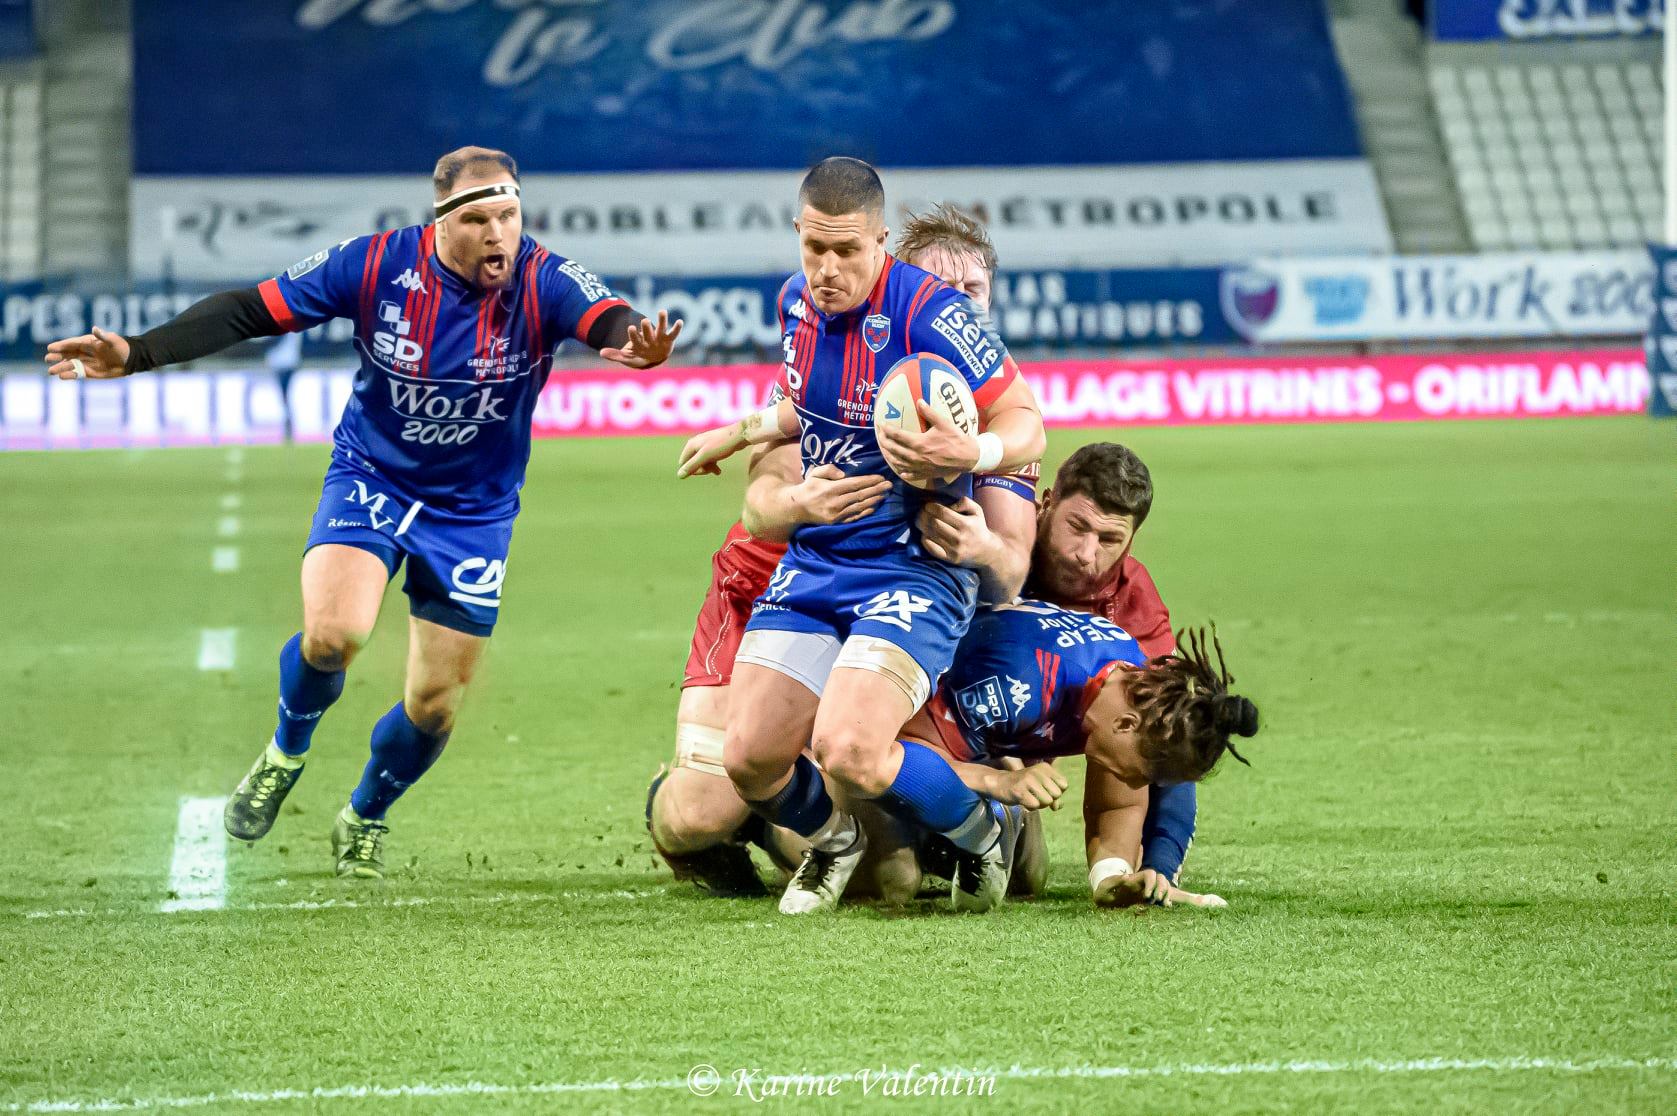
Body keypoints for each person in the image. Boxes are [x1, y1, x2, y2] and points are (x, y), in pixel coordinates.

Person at [44, 146, 680, 879]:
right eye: (478, 219)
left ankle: (365, 814)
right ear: (440, 222)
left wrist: (634, 342)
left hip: (473, 512)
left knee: (434, 705)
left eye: (508, 216)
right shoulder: (375, 264)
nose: (498, 234)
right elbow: (251, 309)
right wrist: (139, 352)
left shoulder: (544, 278)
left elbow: (610, 318)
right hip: (372, 478)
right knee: (333, 635)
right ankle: (285, 752)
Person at [676, 157, 1046, 914]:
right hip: (818, 563)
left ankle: (978, 832)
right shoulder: (794, 304)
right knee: (748, 759)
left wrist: (970, 451)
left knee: (848, 748)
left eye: (847, 250)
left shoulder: (932, 314)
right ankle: (833, 840)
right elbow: (811, 399)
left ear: (879, 241)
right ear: (798, 234)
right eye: (815, 247)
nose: (828, 268)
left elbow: (1026, 421)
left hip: (912, 571)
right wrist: (738, 431)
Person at [905, 603, 1258, 908]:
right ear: (1125, 725)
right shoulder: (1019, 684)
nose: (1141, 785)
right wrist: (999, 780)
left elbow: (1117, 807)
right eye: (1146, 773)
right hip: (892, 708)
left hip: (971, 735)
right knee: (895, 879)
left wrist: (1113, 880)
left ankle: (982, 819)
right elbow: (897, 748)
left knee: (1027, 876)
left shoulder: (1131, 692)